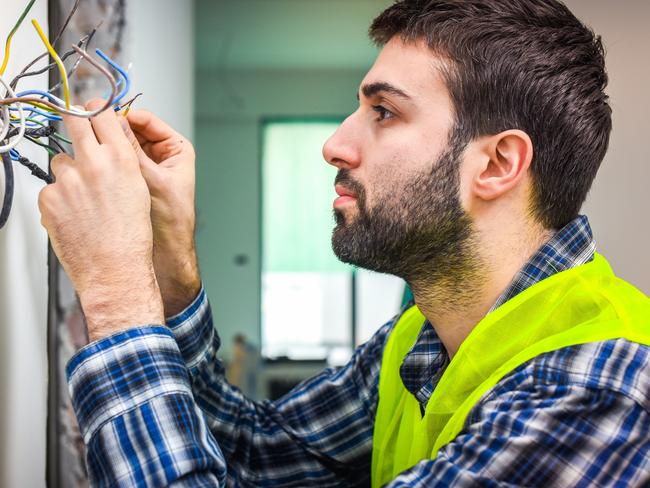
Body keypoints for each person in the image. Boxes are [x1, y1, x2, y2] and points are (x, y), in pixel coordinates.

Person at [38, 0, 650, 486]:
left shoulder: (599, 391)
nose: (334, 144)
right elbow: (256, 457)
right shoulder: (421, 341)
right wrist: (170, 270)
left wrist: (117, 294)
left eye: (384, 112)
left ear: (496, 164)